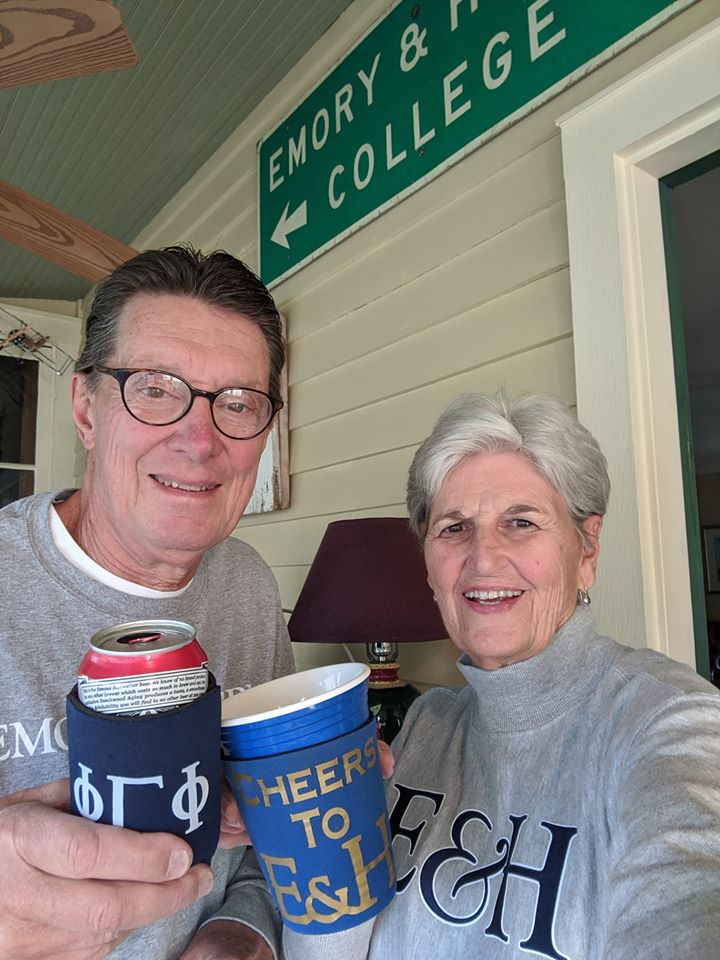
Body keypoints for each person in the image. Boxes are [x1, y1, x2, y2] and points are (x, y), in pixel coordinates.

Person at [284, 391, 720, 960]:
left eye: (521, 522)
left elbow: (690, 879)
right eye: (454, 528)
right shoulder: (425, 723)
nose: (484, 559)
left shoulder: (667, 719)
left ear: (586, 549)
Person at [0, 246, 296, 960]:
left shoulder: (249, 585)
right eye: (156, 389)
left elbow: (262, 831)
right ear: (86, 409)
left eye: (238, 403)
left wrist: (241, 930)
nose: (200, 441)